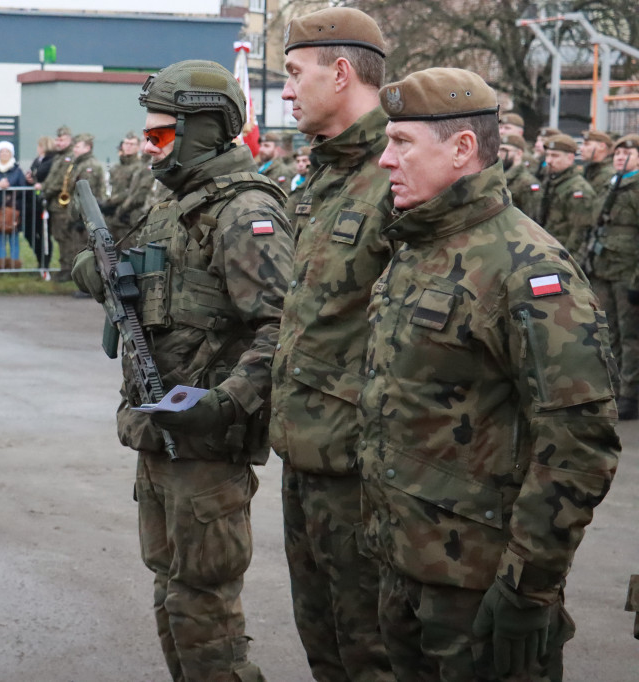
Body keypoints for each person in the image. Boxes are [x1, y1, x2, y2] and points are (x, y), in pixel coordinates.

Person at [364, 67, 620, 681]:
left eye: (401, 143)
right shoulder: (419, 246)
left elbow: (579, 443)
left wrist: (528, 587)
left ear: (461, 149)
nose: (384, 160)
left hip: (478, 588)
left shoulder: (528, 268)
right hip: (405, 566)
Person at [72, 59, 294, 681]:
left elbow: (282, 330)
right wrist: (104, 276)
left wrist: (226, 401)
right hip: (160, 431)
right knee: (173, 593)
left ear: (202, 130)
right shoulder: (177, 204)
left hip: (207, 444)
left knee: (204, 605)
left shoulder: (243, 212)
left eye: (160, 134)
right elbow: (156, 292)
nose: (148, 146)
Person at [269, 8, 397, 681]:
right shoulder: (324, 174)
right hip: (306, 453)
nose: (287, 91)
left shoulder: (399, 172)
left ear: (341, 72)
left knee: (372, 655)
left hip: (362, 472)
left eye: (295, 73)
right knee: (325, 649)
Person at [587, 134, 639, 421]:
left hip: (627, 272)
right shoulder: (611, 184)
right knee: (607, 331)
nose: (620, 157)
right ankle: (614, 388)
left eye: (627, 153)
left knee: (630, 336)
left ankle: (630, 394)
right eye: (617, 153)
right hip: (604, 267)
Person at [536, 133, 596, 260]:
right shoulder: (551, 182)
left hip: (562, 255)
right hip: (546, 250)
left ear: (570, 158)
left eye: (555, 156)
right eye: (547, 155)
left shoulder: (578, 189)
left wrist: (568, 261)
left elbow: (579, 233)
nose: (549, 161)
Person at [65, 133, 106, 281]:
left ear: (87, 148)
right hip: (80, 215)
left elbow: (87, 194)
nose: (74, 149)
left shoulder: (90, 166)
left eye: (77, 146)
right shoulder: (79, 164)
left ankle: (90, 284)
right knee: (79, 250)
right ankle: (83, 282)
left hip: (88, 217)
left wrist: (82, 218)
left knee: (87, 253)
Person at [0, 140, 29, 269]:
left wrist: (9, 187)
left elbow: (23, 189)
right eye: (2, 151)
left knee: (13, 238)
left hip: (14, 209)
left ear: (11, 154)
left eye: (7, 151)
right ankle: (1, 264)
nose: (4, 154)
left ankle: (15, 264)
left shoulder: (17, 171)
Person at [40, 125, 76, 281]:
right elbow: (51, 178)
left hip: (64, 206)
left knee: (66, 238)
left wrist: (47, 191)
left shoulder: (70, 157)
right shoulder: (58, 157)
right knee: (59, 237)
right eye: (57, 140)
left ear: (69, 140)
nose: (59, 143)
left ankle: (69, 269)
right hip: (55, 205)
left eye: (62, 140)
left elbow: (62, 180)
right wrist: (44, 188)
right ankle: (64, 268)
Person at [102, 132, 144, 242]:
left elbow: (133, 192)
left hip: (128, 219)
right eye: (126, 143)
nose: (128, 146)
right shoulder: (116, 168)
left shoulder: (140, 167)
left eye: (132, 144)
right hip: (112, 218)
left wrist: (111, 202)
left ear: (138, 147)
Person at [26, 135, 57, 275]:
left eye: (39, 146)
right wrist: (30, 178)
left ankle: (45, 263)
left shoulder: (52, 161)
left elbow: (47, 177)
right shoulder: (37, 160)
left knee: (44, 234)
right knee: (30, 233)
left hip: (45, 203)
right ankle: (40, 258)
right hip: (33, 202)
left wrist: (39, 182)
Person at [498, 133, 541, 222]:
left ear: (518, 153)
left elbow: (531, 218)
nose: (500, 155)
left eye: (505, 151)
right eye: (499, 150)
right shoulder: (499, 177)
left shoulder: (527, 182)